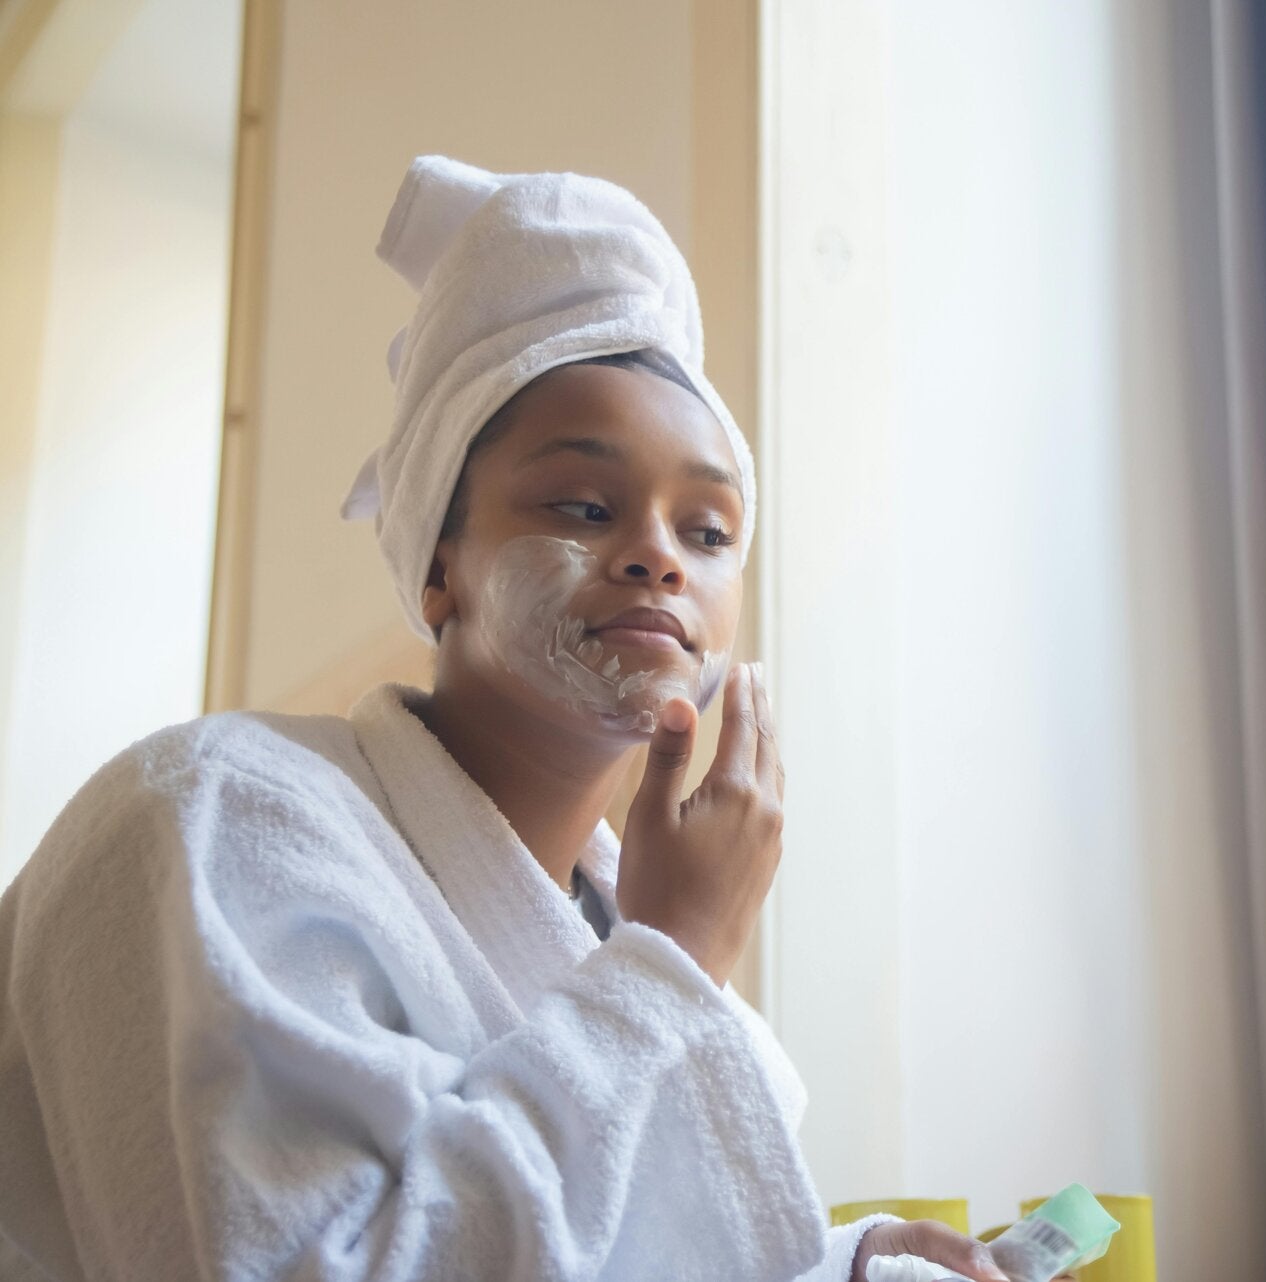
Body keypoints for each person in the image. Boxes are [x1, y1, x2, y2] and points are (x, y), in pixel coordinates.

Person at [0, 156, 1008, 1282]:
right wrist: (673, 960)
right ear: (440, 569)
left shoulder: (610, 941)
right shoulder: (214, 816)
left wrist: (840, 1266)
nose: (660, 556)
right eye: (584, 504)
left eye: (710, 531)